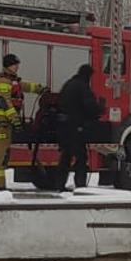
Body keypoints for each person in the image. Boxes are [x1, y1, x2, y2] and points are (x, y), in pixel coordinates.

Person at [0, 53, 48, 189]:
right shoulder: (1, 82)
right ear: (8, 65)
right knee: (0, 151)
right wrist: (15, 120)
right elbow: (5, 102)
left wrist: (39, 88)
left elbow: (24, 86)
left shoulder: (11, 80)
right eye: (15, 64)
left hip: (4, 122)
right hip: (0, 121)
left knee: (3, 151)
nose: (17, 67)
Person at [37, 63, 101, 192]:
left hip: (62, 127)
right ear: (88, 75)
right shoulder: (82, 86)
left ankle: (60, 184)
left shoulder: (69, 84)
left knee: (66, 156)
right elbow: (89, 106)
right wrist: (99, 110)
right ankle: (81, 186)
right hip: (74, 127)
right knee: (81, 157)